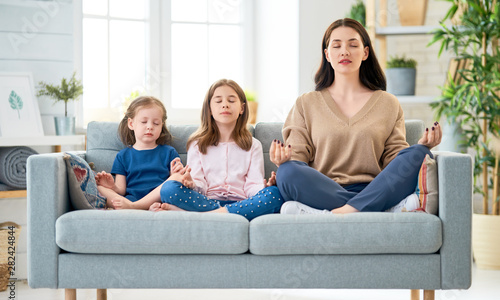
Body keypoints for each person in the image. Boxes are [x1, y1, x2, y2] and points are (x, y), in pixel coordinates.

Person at [271, 18, 442, 214]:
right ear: (327, 55)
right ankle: (375, 209)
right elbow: (297, 158)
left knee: (420, 154)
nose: (344, 51)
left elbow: (394, 161)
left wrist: (422, 146)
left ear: (365, 53)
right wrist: (283, 160)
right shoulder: (306, 103)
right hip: (323, 190)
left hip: (375, 188)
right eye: (337, 46)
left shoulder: (388, 103)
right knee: (287, 172)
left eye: (353, 45)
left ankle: (337, 212)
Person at [121, 79, 283, 221]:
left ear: (241, 108)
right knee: (168, 188)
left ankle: (208, 215)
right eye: (218, 101)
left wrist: (264, 188)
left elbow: (252, 186)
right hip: (206, 201)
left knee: (275, 194)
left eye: (231, 100)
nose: (225, 104)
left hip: (242, 202)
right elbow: (200, 185)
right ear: (210, 109)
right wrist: (190, 182)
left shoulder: (253, 145)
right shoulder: (197, 144)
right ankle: (223, 214)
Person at [95, 96, 182, 209]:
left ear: (161, 125)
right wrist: (112, 186)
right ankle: (133, 206)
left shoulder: (169, 152)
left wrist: (175, 174)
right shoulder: (123, 156)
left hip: (159, 199)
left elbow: (173, 185)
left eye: (156, 123)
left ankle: (135, 207)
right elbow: (121, 190)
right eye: (144, 122)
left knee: (175, 179)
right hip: (130, 199)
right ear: (131, 124)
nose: (150, 127)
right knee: (99, 188)